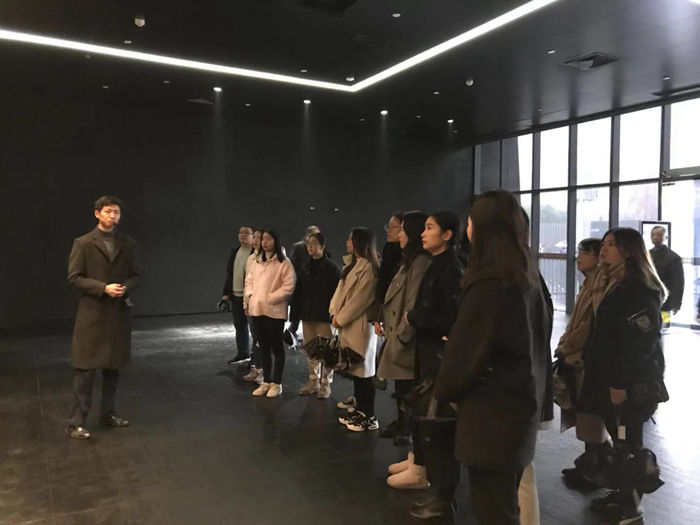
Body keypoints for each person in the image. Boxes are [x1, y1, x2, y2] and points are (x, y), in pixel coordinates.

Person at [434, 190, 551, 525]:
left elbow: (464, 354)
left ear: (485, 228)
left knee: (493, 510)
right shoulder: (527, 277)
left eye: (471, 222)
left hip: (492, 415)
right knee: (504, 504)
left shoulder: (488, 284)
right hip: (520, 407)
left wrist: (449, 389)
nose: (467, 229)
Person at [579, 228, 666, 524]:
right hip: (610, 378)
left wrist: (619, 383)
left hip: (628, 383)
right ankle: (621, 494)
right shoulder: (616, 284)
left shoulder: (637, 289)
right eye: (603, 243)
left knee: (629, 443)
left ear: (628, 251)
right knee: (620, 442)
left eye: (611, 244)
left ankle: (631, 506)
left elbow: (640, 343)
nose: (604, 249)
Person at [388, 211, 463, 521]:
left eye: (430, 228)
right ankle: (426, 471)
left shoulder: (451, 268)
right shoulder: (437, 263)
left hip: (438, 354)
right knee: (426, 417)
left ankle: (440, 490)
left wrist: (414, 317)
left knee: (438, 423)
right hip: (428, 349)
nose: (423, 233)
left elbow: (449, 317)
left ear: (447, 235)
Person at [65, 195, 142, 440]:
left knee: (112, 368)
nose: (112, 216)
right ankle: (76, 422)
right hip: (92, 314)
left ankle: (108, 413)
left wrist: (125, 288)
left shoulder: (128, 244)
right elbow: (74, 277)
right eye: (108, 211)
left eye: (116, 212)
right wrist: (103, 288)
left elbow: (137, 275)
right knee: (85, 372)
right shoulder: (83, 243)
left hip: (117, 313)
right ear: (97, 213)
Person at [555, 238, 612, 486]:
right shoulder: (588, 282)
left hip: (585, 359)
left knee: (592, 415)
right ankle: (592, 463)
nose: (579, 257)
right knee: (586, 414)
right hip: (577, 357)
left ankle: (596, 467)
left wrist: (566, 346)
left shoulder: (599, 284)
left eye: (585, 252)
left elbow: (587, 324)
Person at [377, 211, 431, 447]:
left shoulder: (420, 262)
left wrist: (402, 335)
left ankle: (407, 427)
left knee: (408, 385)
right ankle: (402, 422)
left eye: (401, 230)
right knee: (400, 384)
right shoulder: (408, 260)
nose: (398, 234)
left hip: (406, 335)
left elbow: (412, 302)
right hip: (398, 332)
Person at [330, 227, 380, 432]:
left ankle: (369, 416)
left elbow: (360, 300)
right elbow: (340, 293)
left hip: (359, 326)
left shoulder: (369, 268)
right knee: (356, 370)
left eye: (351, 239)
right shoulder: (352, 264)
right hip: (347, 325)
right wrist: (334, 313)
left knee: (364, 372)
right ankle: (360, 410)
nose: (347, 242)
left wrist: (340, 318)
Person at [247, 229, 296, 398]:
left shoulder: (284, 262)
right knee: (263, 347)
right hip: (257, 310)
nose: (265, 242)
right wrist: (251, 297)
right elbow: (249, 280)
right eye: (263, 239)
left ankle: (277, 383)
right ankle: (266, 381)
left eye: (268, 239)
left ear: (275, 241)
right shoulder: (257, 261)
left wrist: (271, 298)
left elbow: (289, 286)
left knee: (276, 347)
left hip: (275, 311)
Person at [294, 231, 340, 399]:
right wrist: (296, 315)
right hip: (308, 315)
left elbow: (337, 294)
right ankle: (313, 382)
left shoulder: (332, 268)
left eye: (314, 243)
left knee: (327, 351)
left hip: (324, 316)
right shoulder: (304, 267)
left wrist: (334, 314)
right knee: (311, 350)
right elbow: (299, 292)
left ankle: (326, 384)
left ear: (323, 246)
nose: (310, 247)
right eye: (309, 244)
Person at [222, 225, 254, 365]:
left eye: (246, 233)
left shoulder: (255, 252)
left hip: (251, 296)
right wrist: (225, 294)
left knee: (255, 329)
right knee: (240, 326)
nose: (243, 235)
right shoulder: (235, 251)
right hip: (236, 295)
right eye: (240, 232)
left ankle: (256, 357)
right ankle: (243, 353)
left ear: (252, 235)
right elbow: (230, 274)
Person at [286, 225, 321, 345]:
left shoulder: (320, 246)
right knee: (297, 311)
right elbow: (292, 265)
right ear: (307, 235)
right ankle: (291, 332)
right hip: (300, 284)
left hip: (314, 285)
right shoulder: (299, 247)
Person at [242, 229, 264, 383]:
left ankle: (264, 371)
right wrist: (246, 303)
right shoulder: (251, 258)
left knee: (263, 339)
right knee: (255, 337)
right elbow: (247, 282)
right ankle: (256, 368)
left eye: (259, 238)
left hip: (263, 305)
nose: (256, 240)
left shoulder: (270, 258)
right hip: (252, 303)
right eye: (254, 237)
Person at [649, 226, 684, 322]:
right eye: (653, 235)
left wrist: (676, 304)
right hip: (648, 300)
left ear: (666, 237)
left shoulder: (673, 257)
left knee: (663, 325)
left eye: (659, 235)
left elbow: (678, 282)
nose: (655, 237)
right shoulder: (647, 255)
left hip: (666, 302)